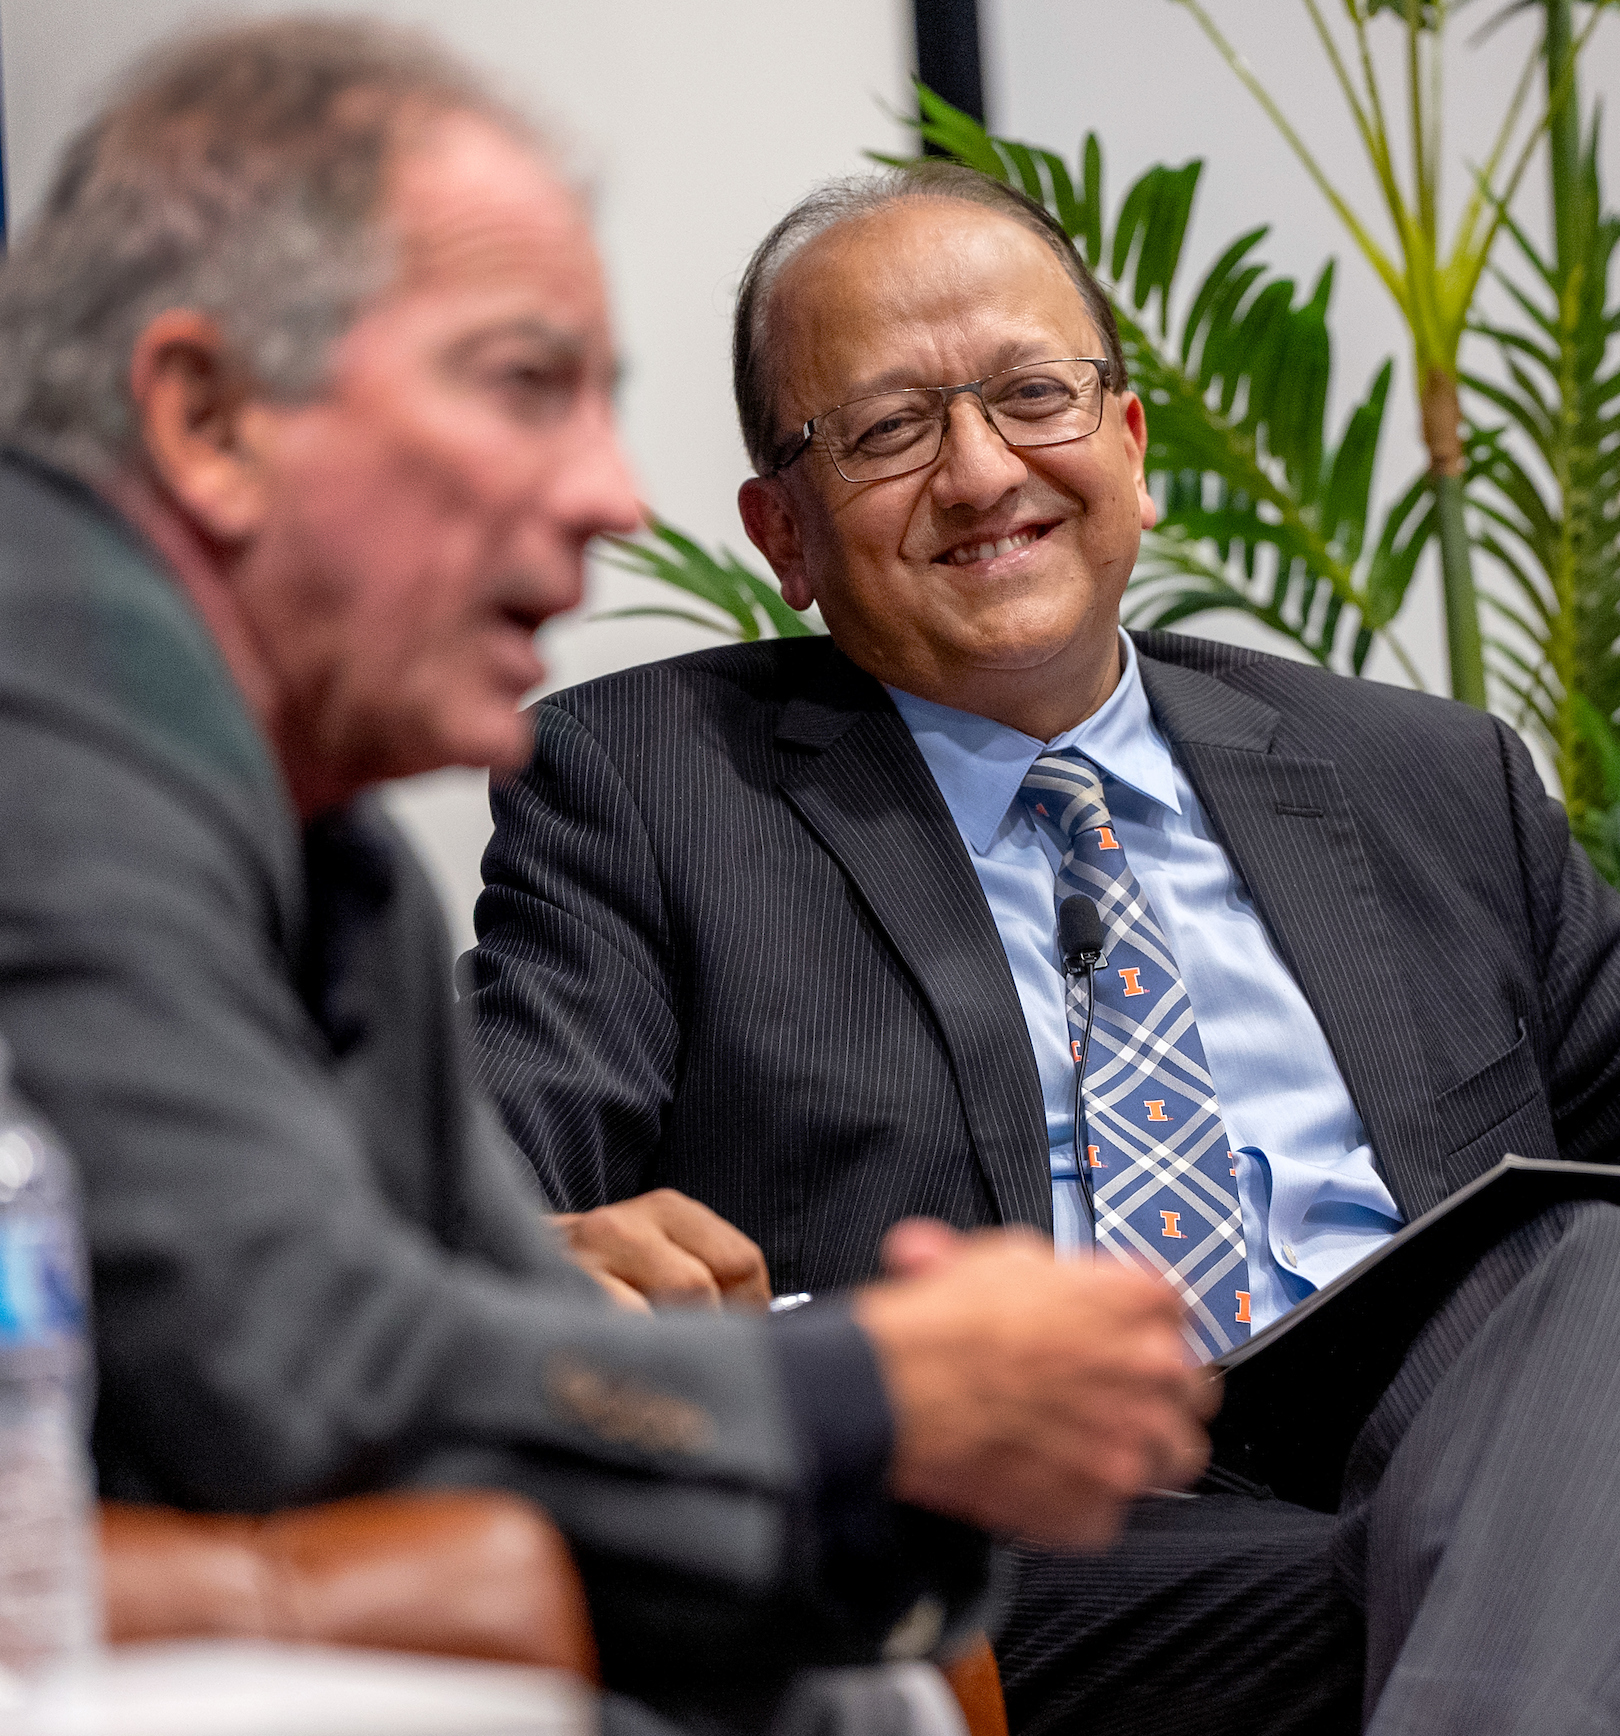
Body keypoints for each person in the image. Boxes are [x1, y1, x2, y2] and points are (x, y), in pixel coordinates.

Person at [463, 161, 1620, 1734]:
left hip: (1435, 1492)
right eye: (887, 430)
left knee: (1585, 1250)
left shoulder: (1413, 775)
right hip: (1021, 1542)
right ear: (782, 534)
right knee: (1548, 1616)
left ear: (1128, 441)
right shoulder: (649, 786)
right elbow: (487, 1158)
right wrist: (533, 1250)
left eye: (1033, 398)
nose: (981, 471)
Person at [0, 23, 1214, 1736]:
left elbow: (501, 1351)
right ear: (207, 419)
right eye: (520, 384)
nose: (606, 495)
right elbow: (300, 1366)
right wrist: (877, 1387)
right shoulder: (40, 715)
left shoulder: (321, 828)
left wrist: (909, 1481)